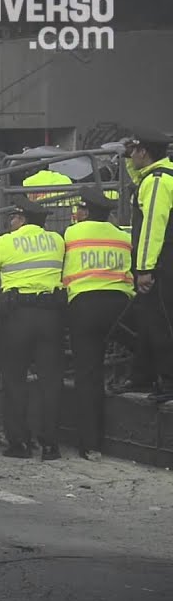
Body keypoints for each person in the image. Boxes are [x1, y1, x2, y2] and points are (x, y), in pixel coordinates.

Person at [0, 195, 66, 460]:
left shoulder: (4, 242)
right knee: (51, 380)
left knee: (14, 380)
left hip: (16, 316)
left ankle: (19, 443)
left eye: (14, 217)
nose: (11, 221)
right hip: (51, 316)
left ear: (21, 219)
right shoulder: (58, 240)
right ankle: (50, 445)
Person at [65, 187, 133, 459]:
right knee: (140, 349)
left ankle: (91, 444)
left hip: (85, 306)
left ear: (84, 211)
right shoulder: (123, 236)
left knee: (88, 374)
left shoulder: (72, 234)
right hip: (120, 306)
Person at [128, 128, 173, 401]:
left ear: (144, 152)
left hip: (161, 263)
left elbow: (153, 228)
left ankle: (168, 382)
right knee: (149, 321)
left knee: (160, 323)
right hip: (165, 259)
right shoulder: (162, 175)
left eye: (134, 150)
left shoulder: (157, 182)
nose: (131, 155)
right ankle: (143, 376)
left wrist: (144, 269)